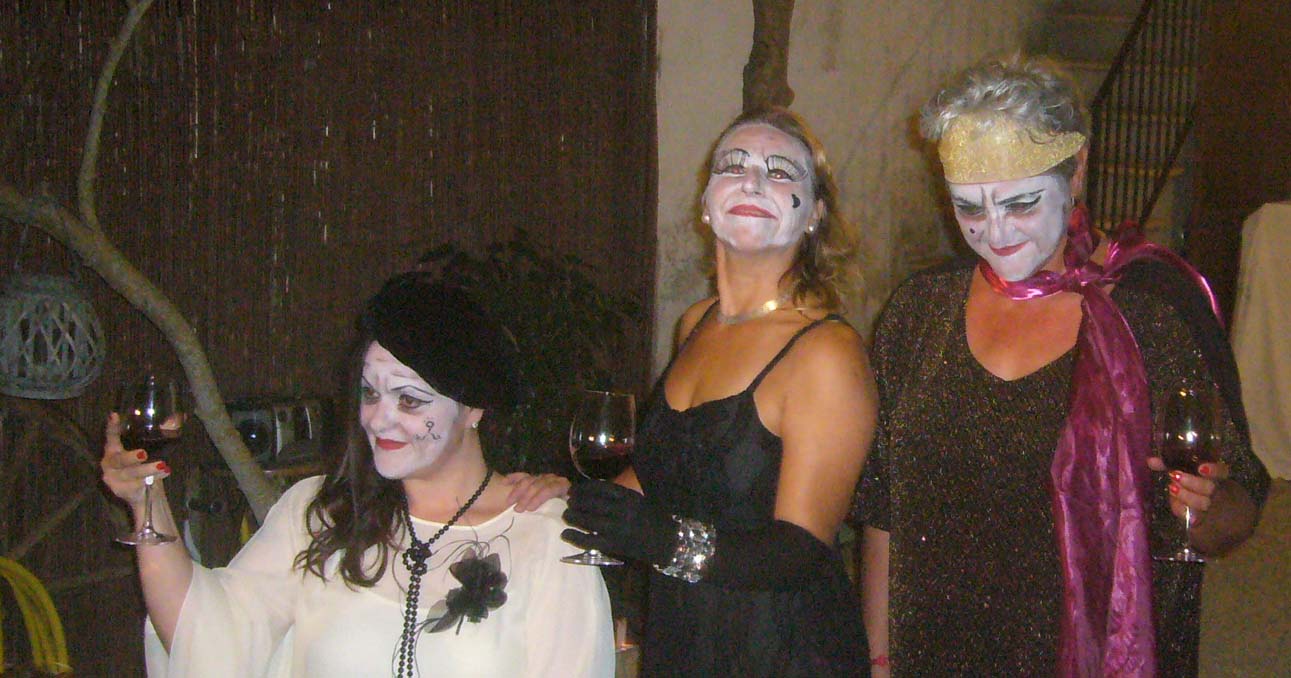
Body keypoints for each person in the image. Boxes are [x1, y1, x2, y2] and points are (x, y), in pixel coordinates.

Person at [852, 55, 1270, 677]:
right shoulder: (919, 314)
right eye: (969, 208)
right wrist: (879, 659)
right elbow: (883, 511)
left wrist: (1205, 507)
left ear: (1076, 169)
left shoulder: (1154, 312)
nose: (996, 232)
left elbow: (1236, 508)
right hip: (935, 653)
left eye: (1021, 202)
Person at [102, 271, 614, 677]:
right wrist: (148, 501)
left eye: (409, 400)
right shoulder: (320, 514)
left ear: (474, 408)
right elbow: (208, 640)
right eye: (370, 393)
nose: (379, 419)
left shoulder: (545, 539)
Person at [562, 107, 877, 677]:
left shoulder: (826, 353)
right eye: (734, 165)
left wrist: (662, 540)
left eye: (780, 172)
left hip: (782, 653)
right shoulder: (695, 323)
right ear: (706, 203)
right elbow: (668, 472)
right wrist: (560, 499)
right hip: (684, 643)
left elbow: (800, 553)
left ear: (815, 214)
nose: (753, 181)